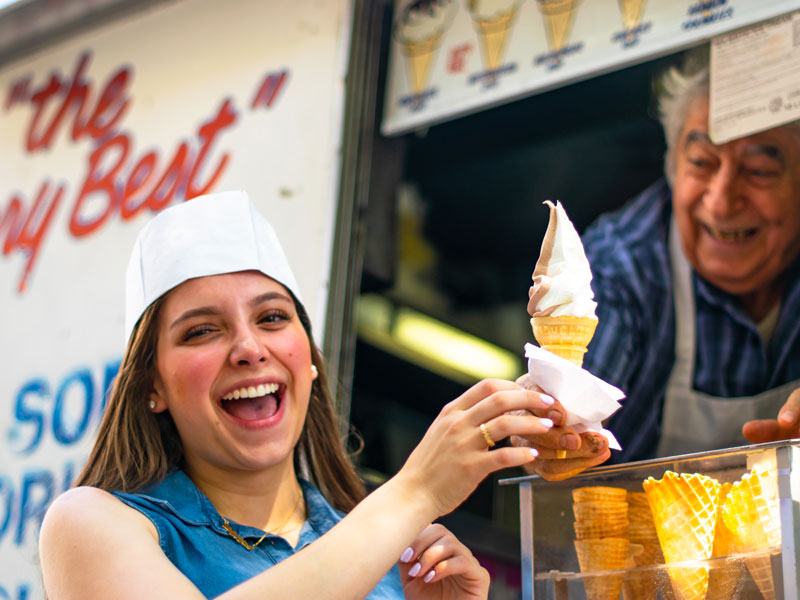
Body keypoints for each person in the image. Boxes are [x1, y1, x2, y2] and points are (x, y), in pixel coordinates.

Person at [39, 191, 554, 600]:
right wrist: (414, 493)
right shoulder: (92, 524)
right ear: (152, 386)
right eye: (201, 331)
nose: (248, 347)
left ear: (308, 361)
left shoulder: (397, 557)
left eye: (271, 318)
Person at [512, 47, 800, 480]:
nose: (721, 202)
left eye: (759, 169)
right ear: (671, 166)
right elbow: (577, 392)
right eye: (702, 163)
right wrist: (551, 429)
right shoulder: (622, 263)